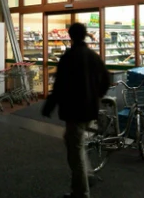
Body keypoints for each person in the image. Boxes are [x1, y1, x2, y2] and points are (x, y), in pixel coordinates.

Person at [42, 23, 111, 198]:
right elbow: (106, 79)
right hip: (89, 108)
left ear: (70, 36)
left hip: (74, 110)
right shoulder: (93, 56)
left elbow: (59, 86)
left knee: (75, 149)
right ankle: (85, 178)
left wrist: (49, 106)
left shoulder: (69, 57)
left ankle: (82, 191)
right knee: (75, 142)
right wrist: (97, 95)